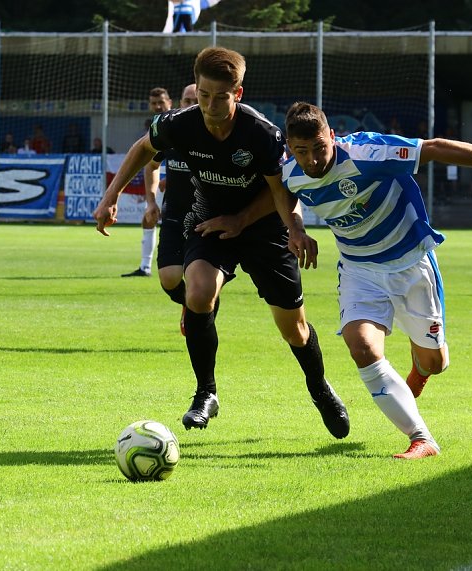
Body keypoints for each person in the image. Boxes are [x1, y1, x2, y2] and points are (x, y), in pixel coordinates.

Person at [93, 47, 350, 440]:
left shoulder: (261, 133)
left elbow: (279, 191)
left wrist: (294, 230)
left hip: (264, 229)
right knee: (197, 293)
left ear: (238, 94)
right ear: (196, 89)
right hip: (211, 221)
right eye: (204, 94)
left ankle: (319, 388)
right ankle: (206, 392)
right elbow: (144, 148)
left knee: (293, 329)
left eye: (221, 96)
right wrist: (111, 196)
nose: (211, 105)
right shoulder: (179, 123)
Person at [277, 102, 472, 459]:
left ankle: (420, 369)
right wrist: (295, 228)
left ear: (332, 136)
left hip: (411, 264)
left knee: (435, 363)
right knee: (361, 347)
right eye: (302, 151)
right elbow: (285, 195)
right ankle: (421, 438)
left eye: (319, 148)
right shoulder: (290, 172)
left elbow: (433, 148)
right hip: (359, 269)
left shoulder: (367, 153)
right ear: (290, 148)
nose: (312, 160)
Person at [141, 83, 199, 332]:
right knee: (169, 278)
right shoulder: (171, 134)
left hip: (206, 218)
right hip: (174, 214)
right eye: (187, 100)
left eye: (196, 100)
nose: (191, 105)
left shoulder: (217, 136)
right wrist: (151, 201)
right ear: (180, 103)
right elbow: (151, 166)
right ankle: (188, 303)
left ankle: (200, 320)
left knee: (202, 282)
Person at [120, 87, 173, 278]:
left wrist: (171, 178)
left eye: (161, 102)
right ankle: (145, 267)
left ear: (170, 103)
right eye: (154, 103)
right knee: (149, 218)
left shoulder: (178, 123)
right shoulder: (156, 127)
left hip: (180, 181)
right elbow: (151, 163)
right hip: (161, 181)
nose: (158, 106)